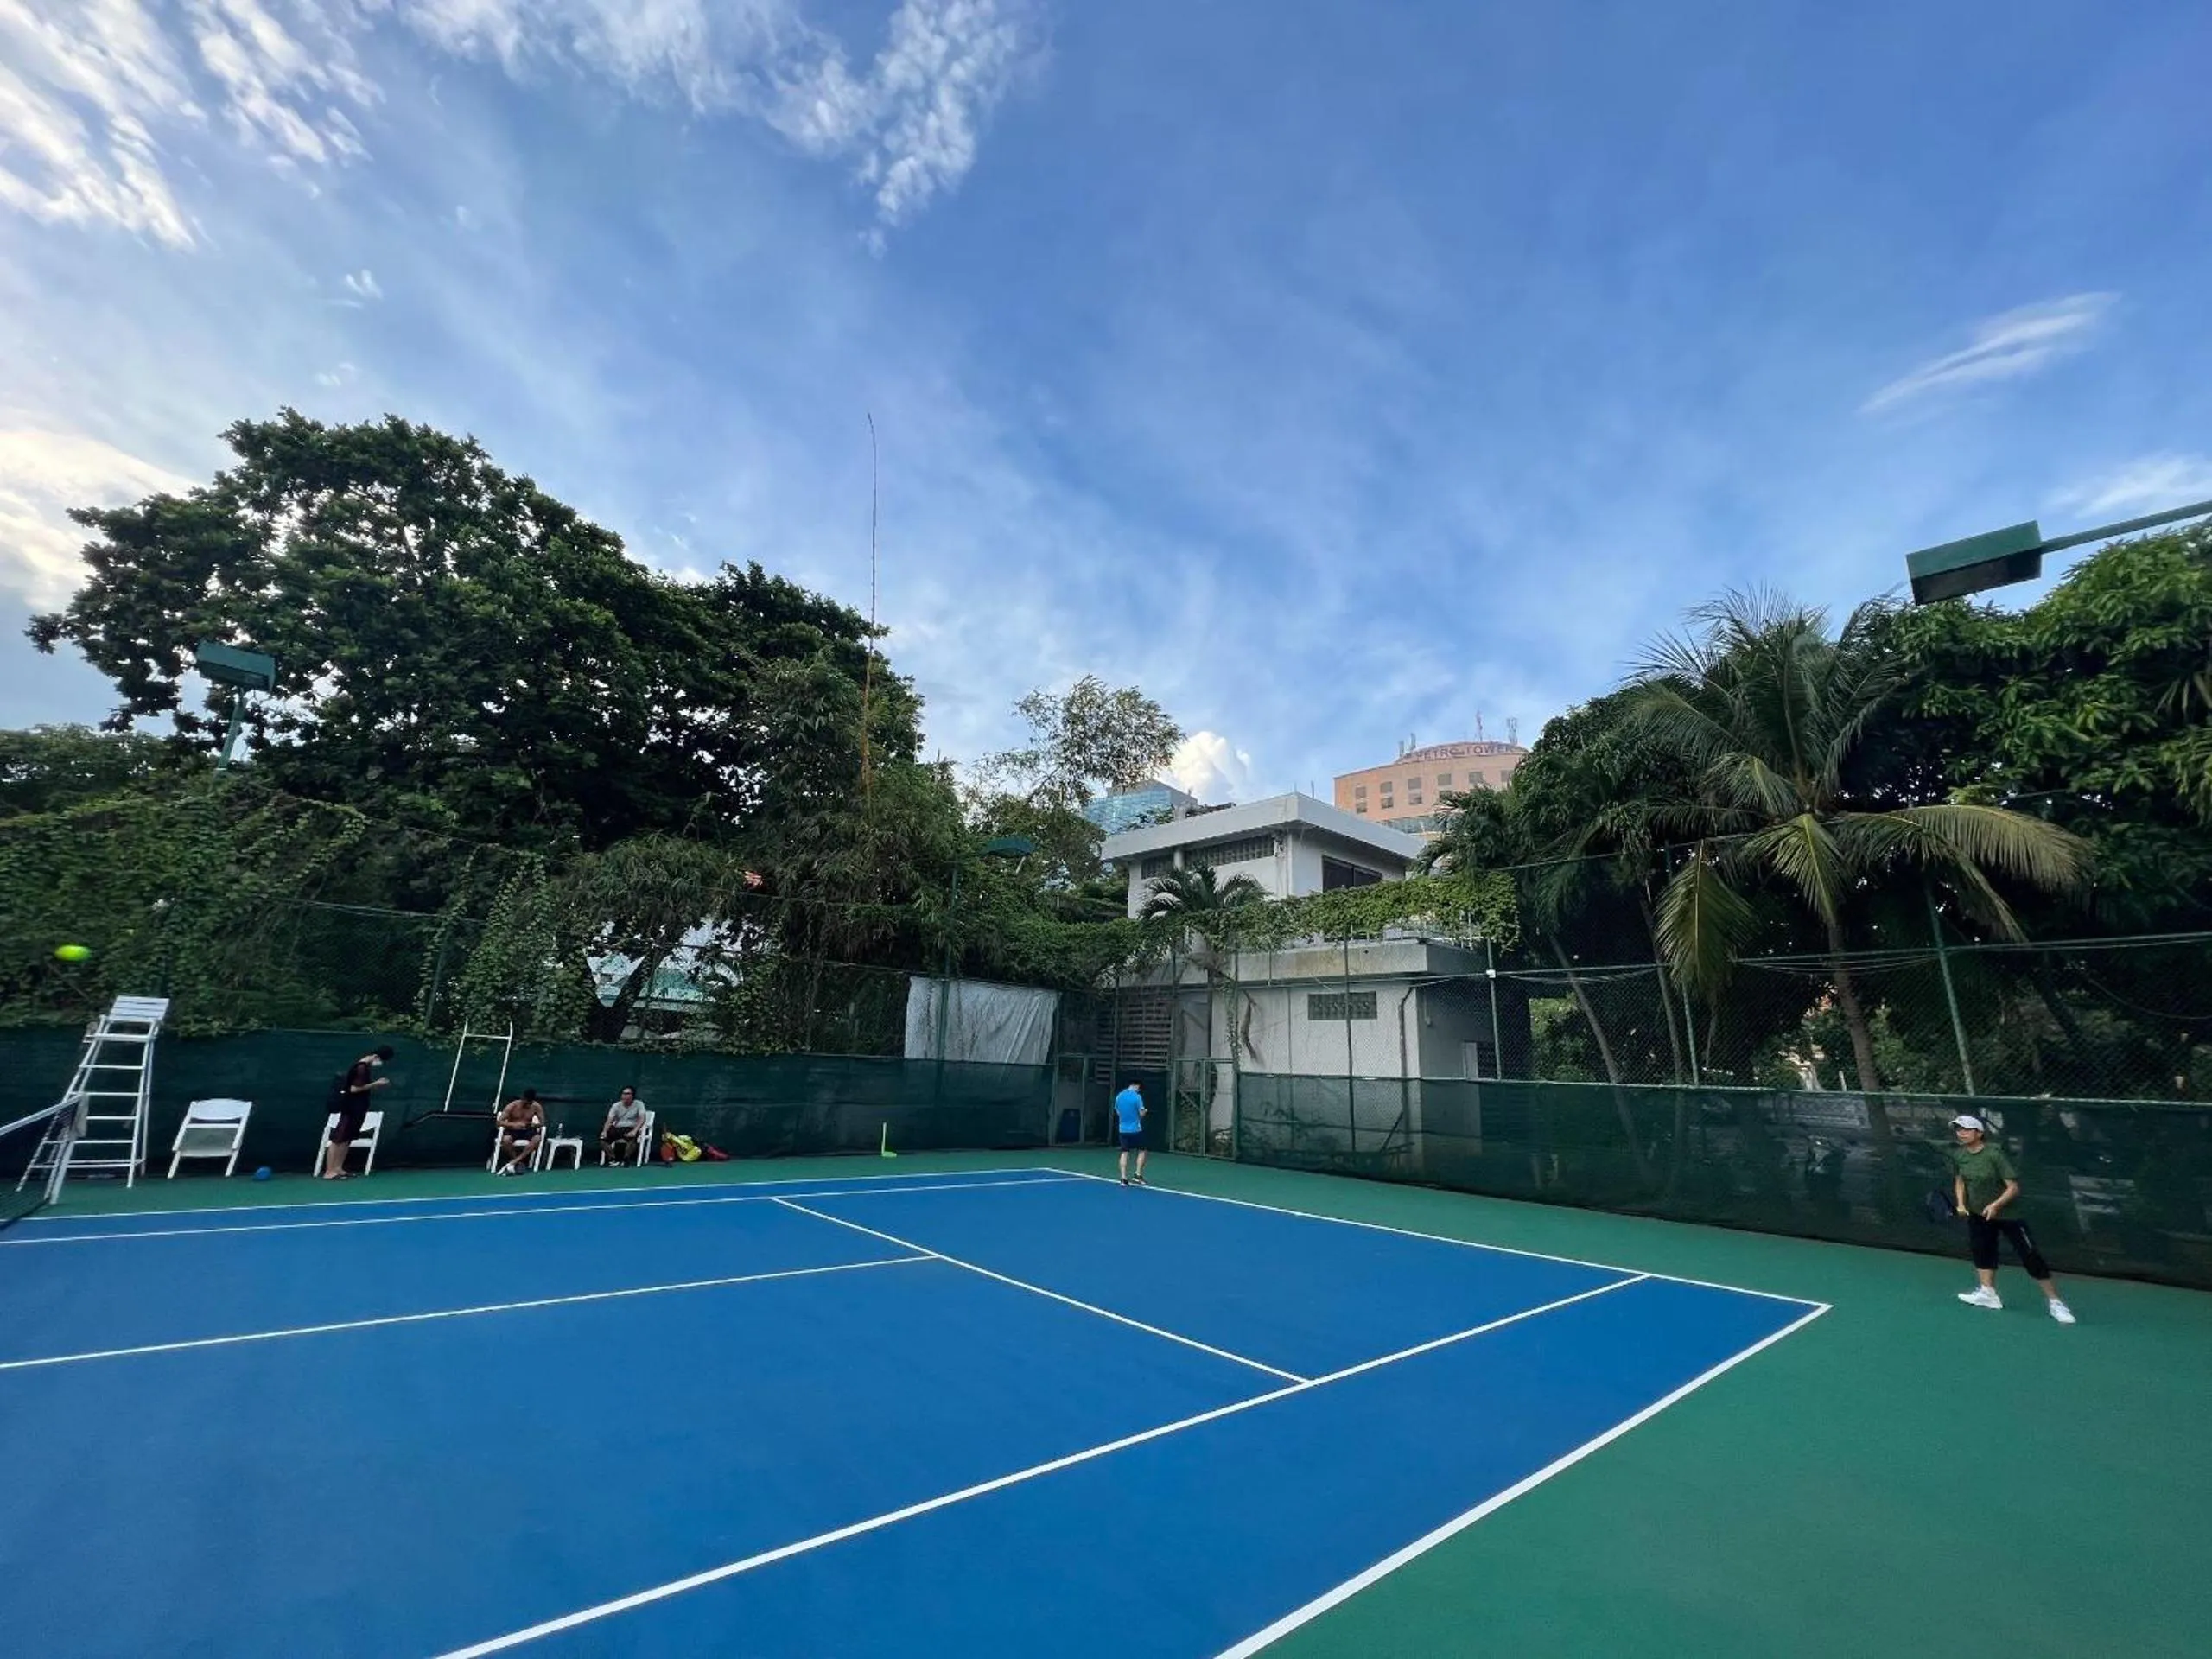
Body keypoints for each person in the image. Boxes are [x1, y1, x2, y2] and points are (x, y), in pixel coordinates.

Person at [1948, 1114, 2075, 1324]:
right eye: (1958, 1130)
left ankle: (2056, 1303)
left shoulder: (1995, 1155)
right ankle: (1988, 1294)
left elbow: (2013, 1188)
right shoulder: (1959, 1156)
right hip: (1978, 1215)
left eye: (1966, 1129)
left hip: (2009, 1216)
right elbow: (1960, 1181)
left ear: (1979, 1133)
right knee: (1982, 1251)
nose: (1961, 1133)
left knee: (2030, 1256)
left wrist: (1996, 1205)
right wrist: (1961, 1204)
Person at [322, 1044, 394, 1180]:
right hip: (350, 1107)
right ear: (376, 1057)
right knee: (339, 1138)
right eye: (381, 1060)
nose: (380, 1063)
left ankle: (338, 1168)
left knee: (347, 1138)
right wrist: (376, 1084)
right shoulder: (361, 1068)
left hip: (358, 1108)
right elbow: (354, 1089)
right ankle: (329, 1171)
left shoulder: (365, 1068)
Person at [495, 1088, 546, 1176]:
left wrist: (533, 1125)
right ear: (523, 1098)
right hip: (512, 1130)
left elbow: (542, 1123)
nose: (528, 1105)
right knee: (506, 1140)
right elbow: (499, 1122)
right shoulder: (512, 1106)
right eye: (526, 1103)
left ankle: (515, 1161)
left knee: (537, 1139)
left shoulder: (536, 1106)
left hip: (527, 1130)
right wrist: (513, 1125)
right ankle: (518, 1162)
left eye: (530, 1103)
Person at [600, 1086, 647, 1166]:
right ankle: (612, 1159)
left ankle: (626, 1159)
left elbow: (642, 1119)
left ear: (633, 1096)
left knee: (633, 1139)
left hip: (631, 1128)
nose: (624, 1096)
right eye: (623, 1094)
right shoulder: (616, 1105)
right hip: (618, 1128)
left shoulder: (639, 1104)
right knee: (603, 1139)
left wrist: (635, 1131)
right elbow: (609, 1120)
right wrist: (604, 1131)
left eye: (627, 1094)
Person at [1114, 1080, 1147, 1186]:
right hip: (1135, 1130)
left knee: (1124, 1153)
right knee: (1142, 1150)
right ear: (1136, 1086)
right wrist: (1144, 1112)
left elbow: (1118, 1112)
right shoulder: (1137, 1097)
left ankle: (1123, 1178)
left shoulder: (1119, 1096)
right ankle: (1137, 1175)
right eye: (1139, 1088)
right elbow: (1141, 1114)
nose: (1138, 1090)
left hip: (1122, 1130)